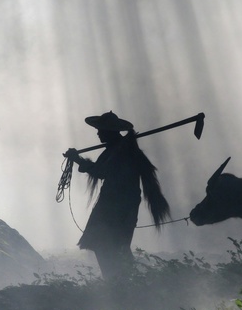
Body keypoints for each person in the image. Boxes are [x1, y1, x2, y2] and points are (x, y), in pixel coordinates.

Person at [63, 111, 170, 279]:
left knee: (107, 244)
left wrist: (77, 159)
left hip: (115, 208)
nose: (98, 133)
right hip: (121, 206)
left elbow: (100, 171)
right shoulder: (119, 149)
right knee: (114, 246)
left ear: (109, 131)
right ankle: (125, 282)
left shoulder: (120, 151)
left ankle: (118, 283)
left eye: (101, 130)